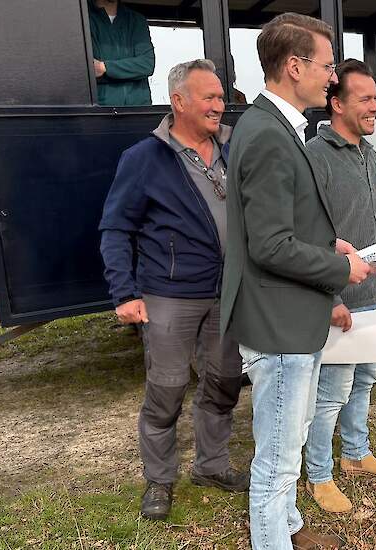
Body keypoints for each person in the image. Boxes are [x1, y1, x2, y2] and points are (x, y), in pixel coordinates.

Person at [221, 13, 374, 550]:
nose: (333, 77)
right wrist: (340, 269)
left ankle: (286, 529)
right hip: (278, 323)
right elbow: (268, 246)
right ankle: (274, 537)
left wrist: (327, 245)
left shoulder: (273, 126)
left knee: (285, 444)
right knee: (279, 461)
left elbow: (277, 226)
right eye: (328, 65)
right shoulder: (267, 134)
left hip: (286, 318)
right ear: (294, 66)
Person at [98, 59, 249, 521]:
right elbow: (115, 229)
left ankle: (212, 465)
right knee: (167, 389)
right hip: (168, 294)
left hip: (227, 293)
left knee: (223, 383)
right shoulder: (144, 158)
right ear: (178, 101)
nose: (219, 107)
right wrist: (124, 292)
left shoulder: (232, 149)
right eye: (209, 97)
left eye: (221, 98)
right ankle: (159, 480)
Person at [303, 59, 376, 514]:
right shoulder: (315, 156)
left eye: (375, 97)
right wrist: (332, 296)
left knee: (365, 379)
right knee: (331, 392)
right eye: (364, 98)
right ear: (336, 102)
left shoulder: (369, 153)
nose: (375, 106)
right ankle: (319, 476)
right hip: (345, 298)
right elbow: (310, 235)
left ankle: (356, 456)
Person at [88, 0, 155, 106]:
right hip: (101, 111)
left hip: (139, 110)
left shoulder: (137, 20)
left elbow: (147, 64)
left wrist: (105, 67)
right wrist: (132, 71)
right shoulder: (82, 20)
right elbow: (86, 69)